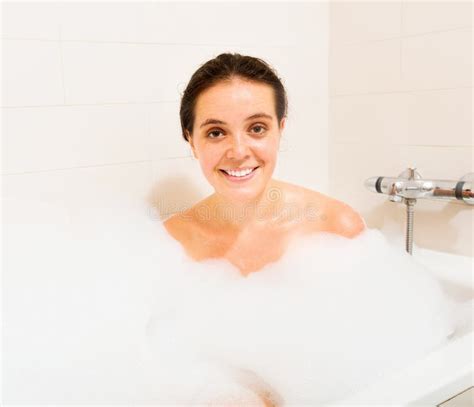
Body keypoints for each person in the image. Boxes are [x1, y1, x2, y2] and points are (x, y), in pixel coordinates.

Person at [164, 52, 366, 277]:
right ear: (191, 141)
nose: (238, 151)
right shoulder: (170, 242)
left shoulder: (337, 227)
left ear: (280, 130)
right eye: (216, 132)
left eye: (257, 128)